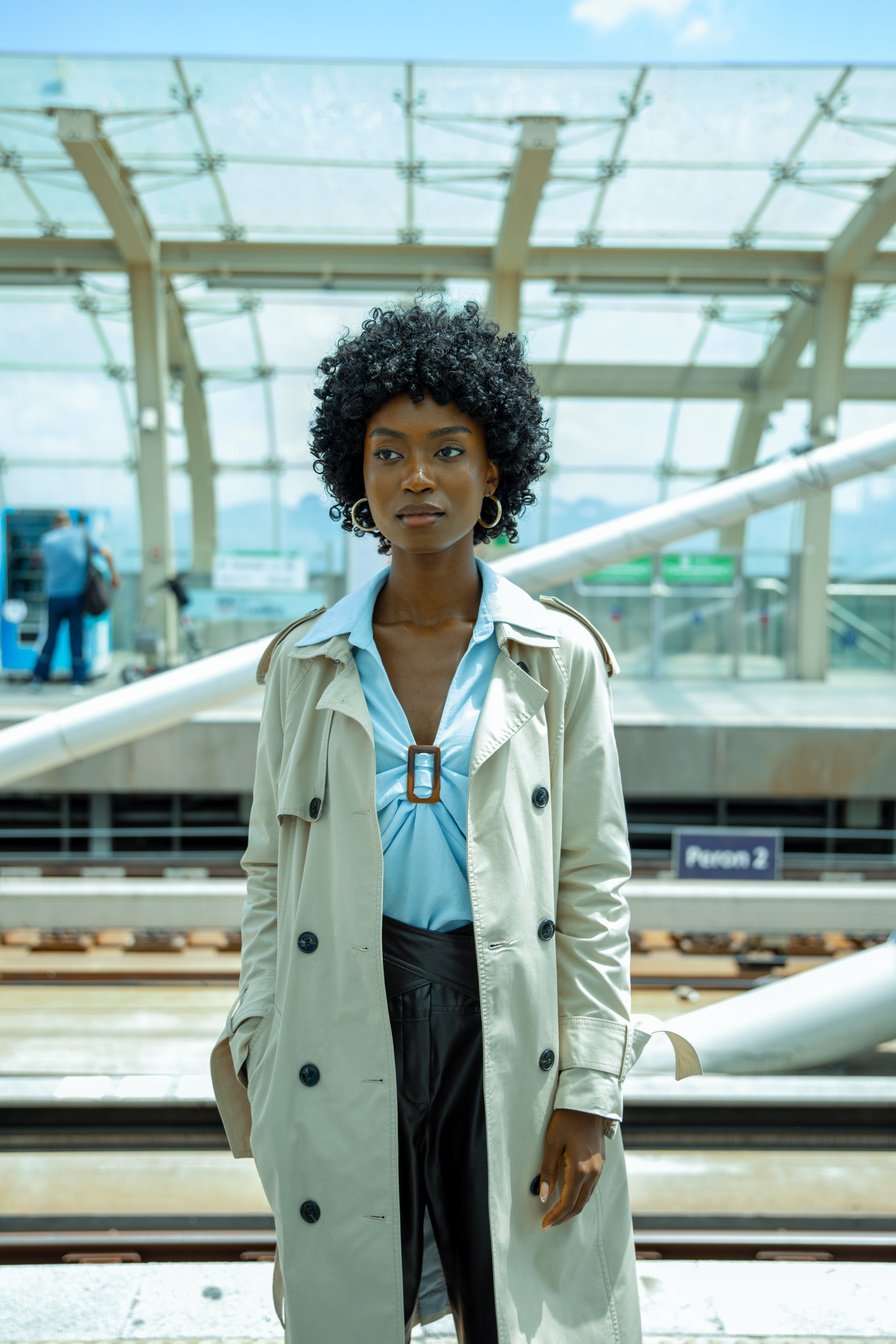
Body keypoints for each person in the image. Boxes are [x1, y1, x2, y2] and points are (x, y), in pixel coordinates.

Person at [210, 302, 699, 1344]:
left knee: (512, 1297)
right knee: (358, 1297)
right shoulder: (302, 665)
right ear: (358, 476)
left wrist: (590, 1089)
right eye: (387, 453)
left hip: (502, 1012)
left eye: (446, 451)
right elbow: (266, 874)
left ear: (494, 474)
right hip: (343, 1002)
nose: (415, 478)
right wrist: (258, 1032)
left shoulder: (557, 657)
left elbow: (591, 881)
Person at [30, 510, 120, 692]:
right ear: (68, 521)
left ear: (55, 523)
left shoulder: (47, 540)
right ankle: (78, 680)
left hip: (54, 596)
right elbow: (107, 553)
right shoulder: (80, 534)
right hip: (75, 596)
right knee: (76, 638)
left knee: (51, 637)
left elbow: (36, 561)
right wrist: (114, 577)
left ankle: (38, 678)